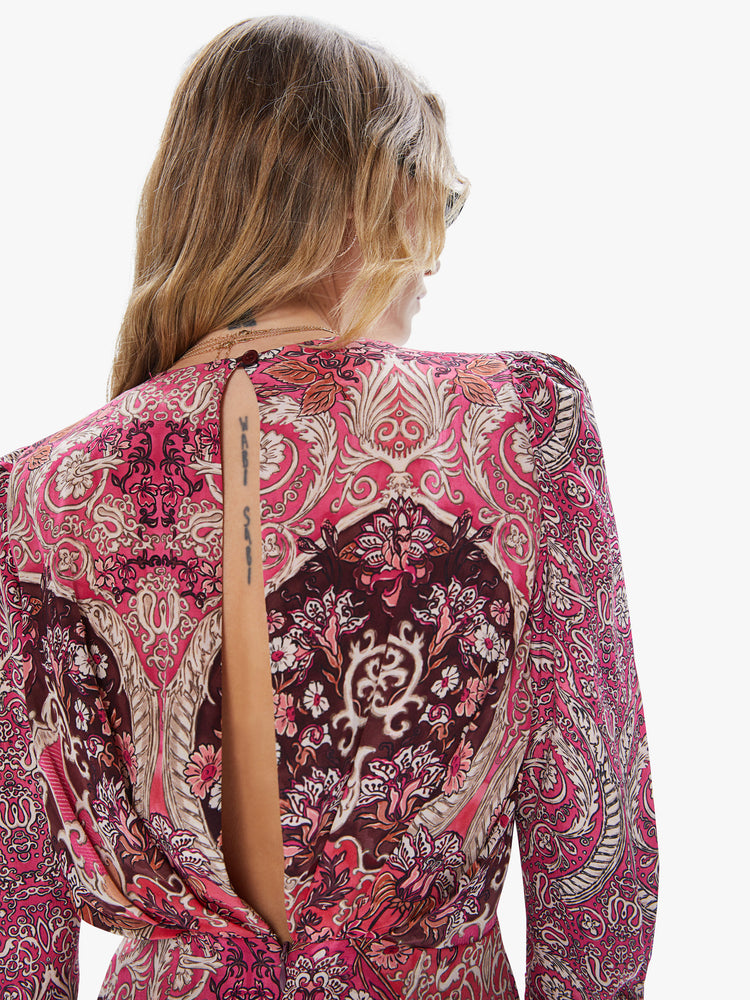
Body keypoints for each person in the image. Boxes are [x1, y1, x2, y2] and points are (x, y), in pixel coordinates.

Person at [0, 15, 658, 999]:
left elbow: (18, 926)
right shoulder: (523, 426)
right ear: (367, 196)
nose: (435, 256)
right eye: (435, 200)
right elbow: (595, 861)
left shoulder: (31, 497)